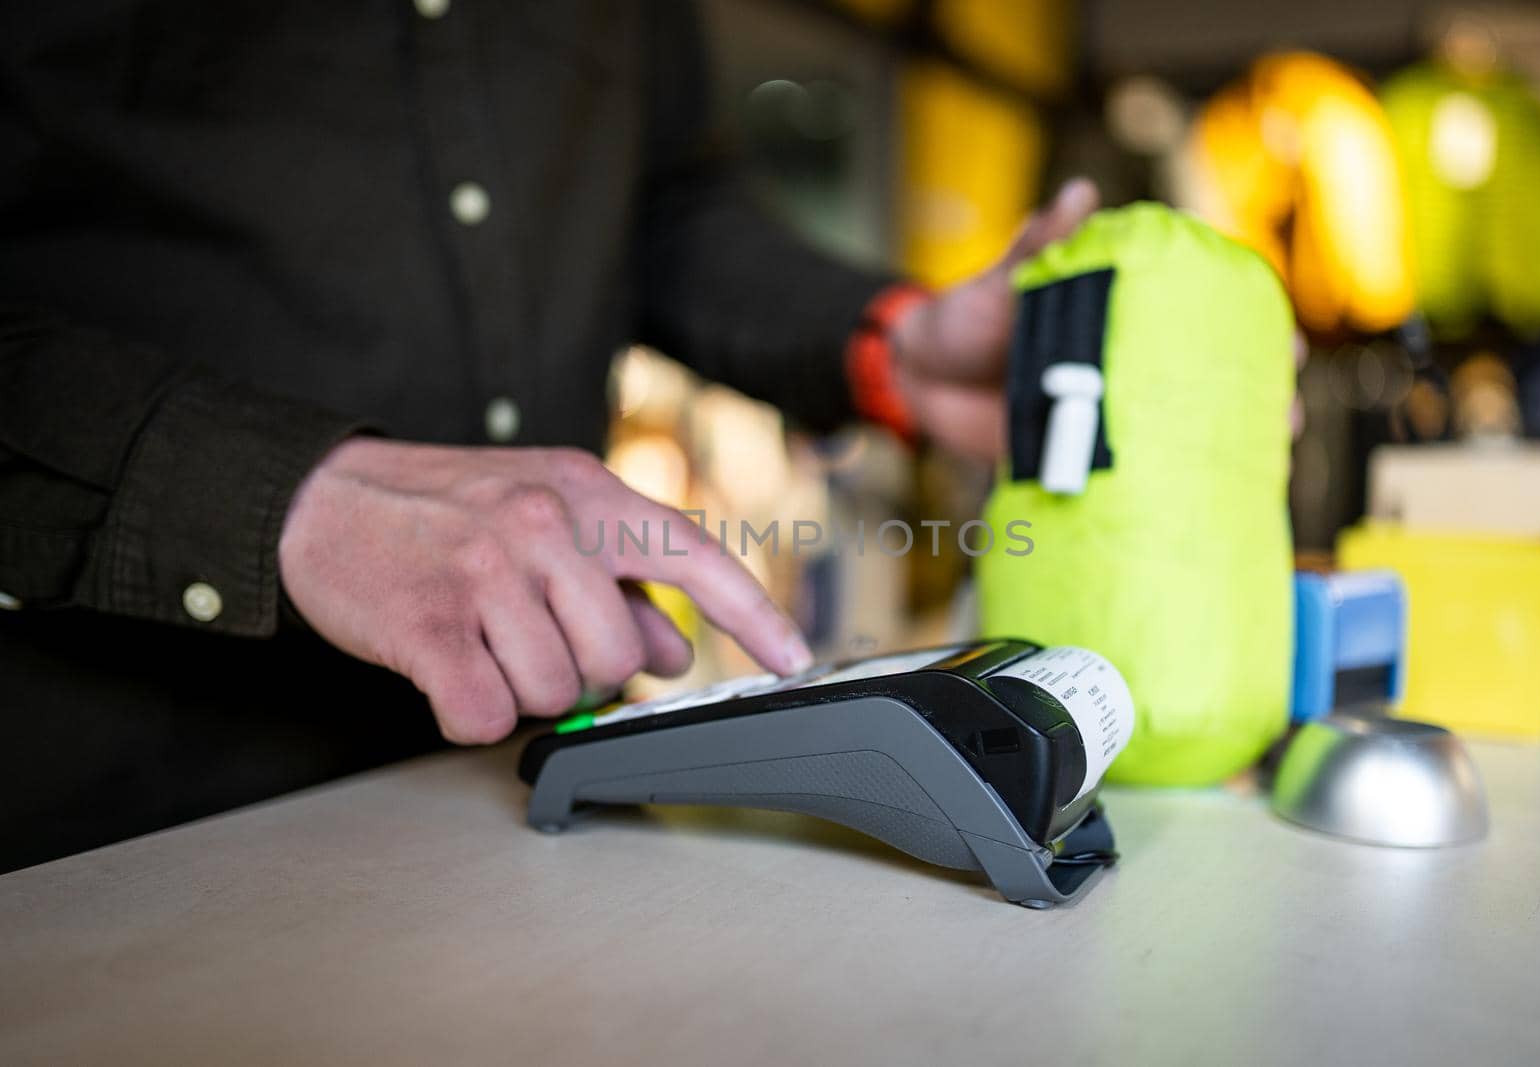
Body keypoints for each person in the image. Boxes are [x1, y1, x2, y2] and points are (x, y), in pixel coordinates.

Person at [0, 0, 1097, 871]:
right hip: (112, 833)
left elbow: (665, 202)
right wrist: (283, 490)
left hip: (545, 793)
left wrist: (887, 346)